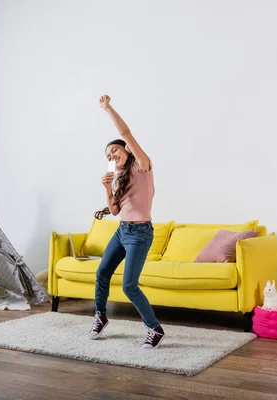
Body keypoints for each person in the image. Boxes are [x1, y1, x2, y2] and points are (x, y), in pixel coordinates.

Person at [89, 94, 165, 348]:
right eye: (108, 154)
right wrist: (107, 188)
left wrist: (108, 108)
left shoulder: (142, 167)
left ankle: (154, 329)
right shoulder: (119, 178)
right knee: (102, 273)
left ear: (126, 149)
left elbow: (126, 131)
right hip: (122, 231)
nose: (112, 154)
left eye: (115, 149)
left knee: (129, 285)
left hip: (140, 234)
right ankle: (100, 317)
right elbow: (113, 210)